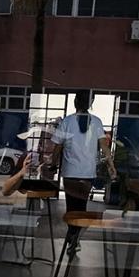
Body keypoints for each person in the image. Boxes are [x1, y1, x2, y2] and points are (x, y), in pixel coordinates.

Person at [45, 90, 117, 255]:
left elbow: (57, 147)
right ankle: (75, 238)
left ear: (75, 102)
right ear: (90, 104)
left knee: (71, 207)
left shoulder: (67, 121)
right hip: (87, 174)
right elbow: (104, 147)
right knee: (81, 208)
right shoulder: (96, 122)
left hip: (70, 173)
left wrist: (53, 164)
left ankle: (72, 235)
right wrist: (111, 165)